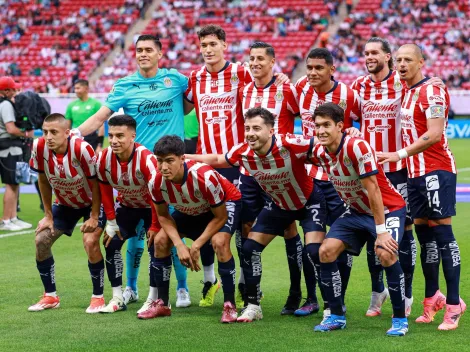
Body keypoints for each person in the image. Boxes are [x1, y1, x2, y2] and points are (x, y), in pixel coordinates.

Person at [74, 34, 190, 308]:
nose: (143, 54)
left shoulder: (176, 80)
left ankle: (183, 289)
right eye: (139, 50)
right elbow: (102, 117)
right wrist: (75, 133)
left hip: (169, 169)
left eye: (149, 49)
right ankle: (131, 288)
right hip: (137, 169)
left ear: (160, 53)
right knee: (137, 237)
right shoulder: (125, 85)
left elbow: (190, 105)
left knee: (169, 232)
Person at [187, 107, 327, 323]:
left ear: (271, 131)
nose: (250, 133)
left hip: (309, 202)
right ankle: (253, 305)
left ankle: (330, 308)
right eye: (248, 128)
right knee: (250, 248)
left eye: (256, 128)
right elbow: (216, 158)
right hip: (280, 205)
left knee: (314, 251)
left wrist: (349, 136)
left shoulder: (289, 143)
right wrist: (185, 156)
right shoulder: (243, 151)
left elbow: (325, 144)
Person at [184, 25, 288, 308]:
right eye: (203, 44)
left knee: (245, 225)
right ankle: (209, 280)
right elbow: (182, 107)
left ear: (224, 46)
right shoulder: (194, 78)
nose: (208, 49)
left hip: (235, 162)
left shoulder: (241, 72)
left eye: (213, 43)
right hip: (205, 162)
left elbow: (265, 76)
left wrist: (280, 77)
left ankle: (245, 283)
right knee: (206, 224)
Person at [378, 44, 465, 331]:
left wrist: (399, 155)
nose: (401, 64)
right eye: (398, 60)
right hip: (414, 175)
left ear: (421, 62)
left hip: (436, 170)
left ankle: (454, 305)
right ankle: (432, 298)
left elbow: (434, 133)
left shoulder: (432, 91)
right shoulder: (406, 90)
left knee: (442, 233)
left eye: (407, 60)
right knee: (424, 236)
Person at [310, 103, 408, 336]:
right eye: (317, 126)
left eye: (326, 125)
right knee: (326, 251)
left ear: (340, 126)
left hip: (388, 209)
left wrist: (382, 230)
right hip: (355, 212)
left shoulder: (356, 147)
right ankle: (336, 315)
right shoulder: (319, 152)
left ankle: (400, 319)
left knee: (385, 253)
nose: (321, 131)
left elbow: (373, 190)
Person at [350, 37, 417, 317]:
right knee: (373, 234)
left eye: (375, 52)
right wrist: (352, 131)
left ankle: (408, 293)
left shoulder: (402, 84)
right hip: (369, 172)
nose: (369, 57)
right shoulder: (358, 86)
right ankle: (378, 292)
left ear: (388, 56)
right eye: (366, 53)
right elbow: (347, 120)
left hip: (400, 171)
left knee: (404, 235)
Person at [143, 135, 241, 323]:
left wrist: (196, 245)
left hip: (224, 206)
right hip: (191, 209)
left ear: (182, 159)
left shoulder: (204, 176)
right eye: (160, 161)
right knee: (161, 241)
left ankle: (230, 305)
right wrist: (179, 245)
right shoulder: (155, 181)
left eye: (169, 161)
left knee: (219, 242)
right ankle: (162, 304)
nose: (164, 167)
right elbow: (163, 215)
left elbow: (220, 216)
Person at [238, 41, 303, 315]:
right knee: (246, 227)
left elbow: (307, 118)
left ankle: (296, 291)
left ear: (272, 62)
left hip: (280, 172)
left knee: (289, 229)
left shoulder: (287, 89)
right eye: (251, 58)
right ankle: (253, 293)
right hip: (250, 172)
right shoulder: (244, 90)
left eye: (260, 58)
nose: (255, 63)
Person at [295, 48, 361, 317]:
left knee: (340, 244)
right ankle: (311, 298)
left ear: (332, 70)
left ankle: (338, 300)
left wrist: (357, 130)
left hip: (339, 182)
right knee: (311, 246)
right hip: (310, 180)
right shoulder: (299, 87)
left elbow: (363, 120)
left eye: (319, 68)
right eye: (309, 67)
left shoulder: (348, 95)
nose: (312, 72)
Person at [28, 113, 105, 313]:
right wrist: (48, 215)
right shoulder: (39, 147)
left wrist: (94, 216)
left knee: (90, 242)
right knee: (41, 240)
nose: (49, 136)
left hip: (91, 203)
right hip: (65, 204)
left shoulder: (82, 148)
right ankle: (50, 296)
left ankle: (98, 297)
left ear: (67, 133)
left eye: (54, 132)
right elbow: (43, 180)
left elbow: (96, 184)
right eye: (45, 132)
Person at [95, 115, 161, 314]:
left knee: (156, 246)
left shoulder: (147, 159)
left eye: (120, 136)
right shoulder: (104, 158)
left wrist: (155, 226)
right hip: (127, 206)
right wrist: (111, 221)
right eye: (111, 135)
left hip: (152, 208)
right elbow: (105, 189)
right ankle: (117, 297)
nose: (114, 140)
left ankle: (153, 297)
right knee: (111, 242)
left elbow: (156, 195)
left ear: (133, 136)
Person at [0, 76, 33, 231]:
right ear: (6, 91)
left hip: (7, 148)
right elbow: (11, 129)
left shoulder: (5, 103)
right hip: (9, 148)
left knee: (14, 183)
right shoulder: (5, 104)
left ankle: (12, 218)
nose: (15, 92)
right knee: (11, 184)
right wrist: (26, 134)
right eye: (13, 89)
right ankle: (6, 220)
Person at [65, 79, 104, 153]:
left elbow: (101, 126)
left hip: (92, 138)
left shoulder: (96, 104)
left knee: (92, 162)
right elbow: (68, 125)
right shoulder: (71, 105)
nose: (76, 91)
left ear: (86, 88)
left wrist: (100, 145)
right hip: (75, 137)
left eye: (78, 88)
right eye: (75, 88)